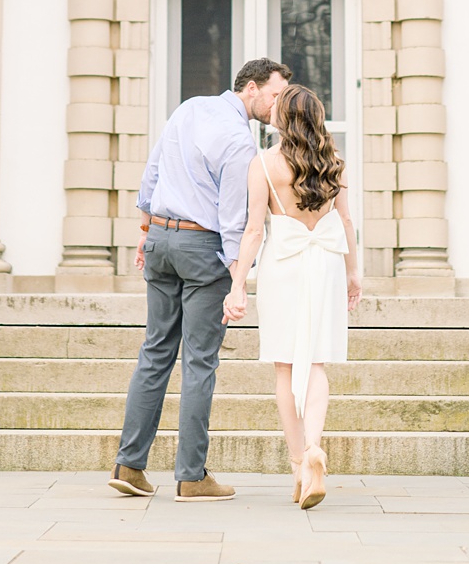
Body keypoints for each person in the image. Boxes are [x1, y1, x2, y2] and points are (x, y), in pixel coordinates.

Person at [110, 56, 292, 501]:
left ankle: (129, 466)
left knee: (155, 351)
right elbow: (234, 220)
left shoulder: (189, 107)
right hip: (201, 248)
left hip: (159, 239)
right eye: (275, 93)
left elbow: (152, 171)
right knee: (199, 361)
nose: (278, 102)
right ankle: (191, 475)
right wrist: (238, 278)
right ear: (251, 89)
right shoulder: (239, 143)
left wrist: (144, 231)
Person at [227, 81, 358, 509]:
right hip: (325, 263)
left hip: (284, 265)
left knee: (285, 368)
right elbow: (346, 222)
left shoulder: (264, 163)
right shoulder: (333, 162)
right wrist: (354, 273)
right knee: (316, 361)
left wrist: (237, 286)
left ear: (281, 118)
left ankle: (299, 462)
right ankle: (315, 446)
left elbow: (252, 232)